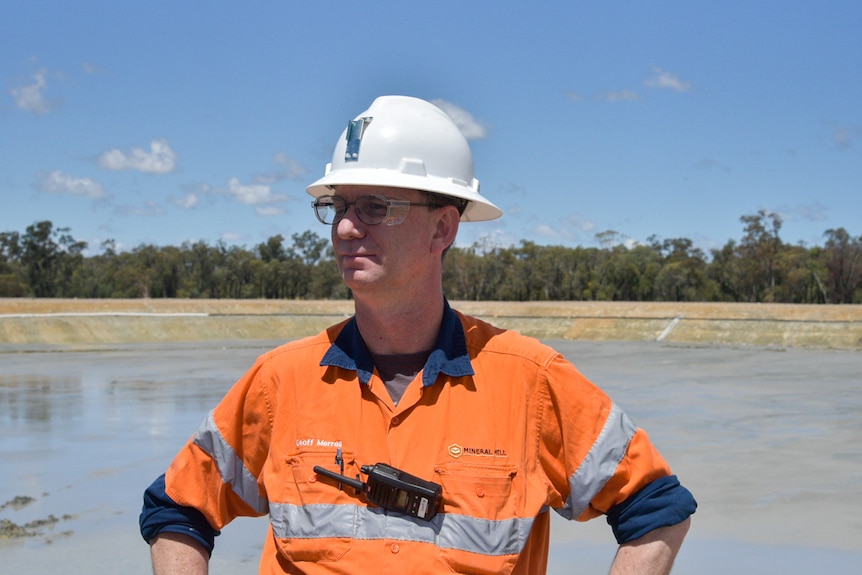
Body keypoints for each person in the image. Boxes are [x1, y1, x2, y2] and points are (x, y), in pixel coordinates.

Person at [139, 95, 696, 574]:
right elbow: (177, 509)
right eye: (337, 207)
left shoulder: (530, 384)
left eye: (376, 206)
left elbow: (656, 507)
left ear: (443, 227)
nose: (346, 227)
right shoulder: (281, 381)